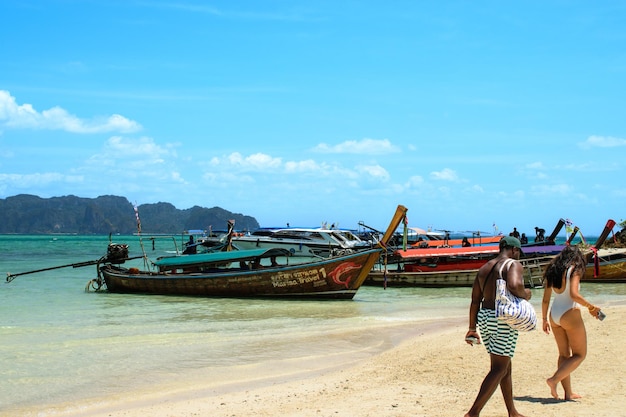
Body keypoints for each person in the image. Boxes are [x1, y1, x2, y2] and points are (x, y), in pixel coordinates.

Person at [465, 236, 530, 417]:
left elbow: (475, 300)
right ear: (514, 250)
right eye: (518, 253)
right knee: (499, 368)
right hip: (502, 318)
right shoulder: (512, 265)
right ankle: (473, 413)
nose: (518, 256)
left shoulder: (484, 268)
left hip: (485, 318)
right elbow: (515, 285)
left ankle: (512, 411)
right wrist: (527, 294)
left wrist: (472, 328)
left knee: (504, 365)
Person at [541, 245, 602, 400]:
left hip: (554, 314)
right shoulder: (574, 269)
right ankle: (553, 380)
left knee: (563, 354)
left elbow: (546, 299)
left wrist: (543, 320)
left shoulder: (553, 270)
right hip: (569, 313)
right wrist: (591, 307)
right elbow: (574, 295)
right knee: (579, 354)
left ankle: (568, 393)